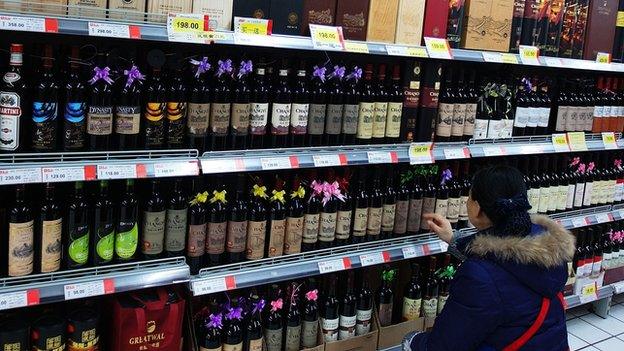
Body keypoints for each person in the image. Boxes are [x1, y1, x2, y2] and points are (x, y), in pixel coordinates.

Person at [406, 165, 574, 351]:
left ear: (477, 208)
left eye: (469, 197)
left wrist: (412, 340)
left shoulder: (477, 278)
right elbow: (504, 261)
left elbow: (443, 346)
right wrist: (453, 238)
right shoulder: (548, 246)